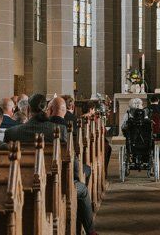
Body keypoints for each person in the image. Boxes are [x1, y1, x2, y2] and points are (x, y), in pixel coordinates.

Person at [7, 94, 95, 235]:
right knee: (82, 189)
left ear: (28, 109)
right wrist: (77, 177)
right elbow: (69, 157)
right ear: (46, 110)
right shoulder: (59, 129)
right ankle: (90, 231)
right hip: (56, 183)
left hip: (19, 182)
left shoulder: (12, 132)